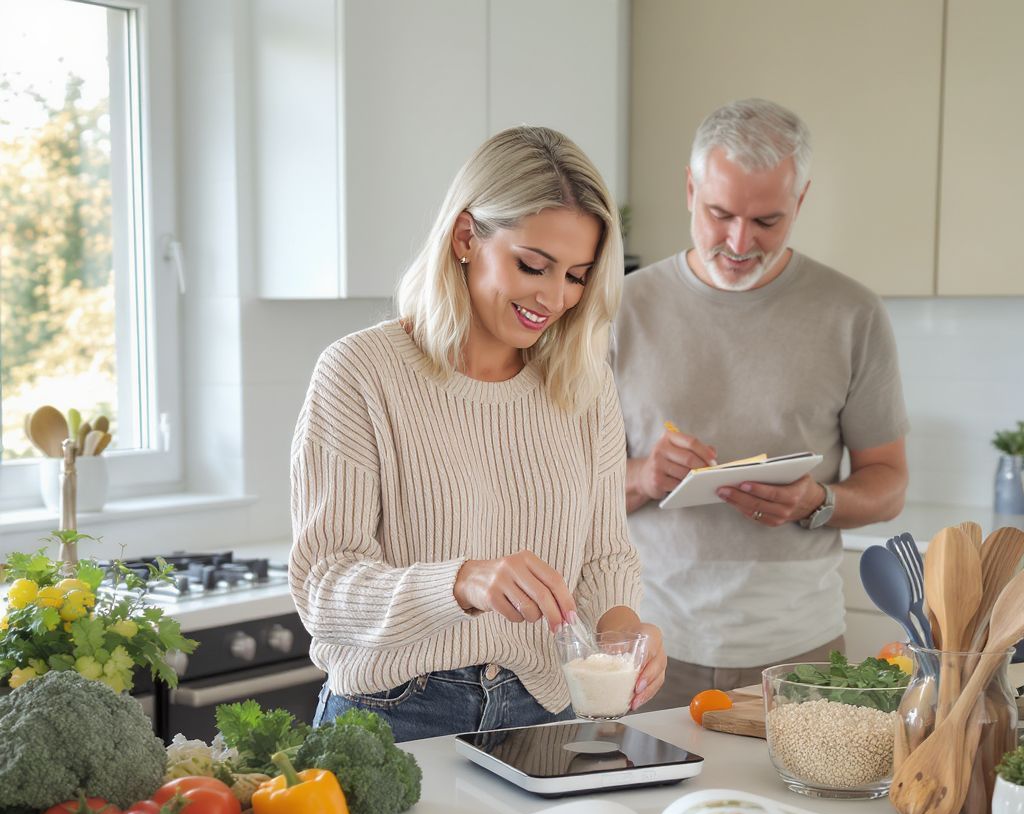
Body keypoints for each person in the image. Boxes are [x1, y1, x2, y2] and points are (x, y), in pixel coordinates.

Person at [290, 125, 666, 742]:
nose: (554, 297)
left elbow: (603, 555)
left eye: (576, 276)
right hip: (394, 714)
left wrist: (625, 633)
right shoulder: (360, 372)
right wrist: (462, 581)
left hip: (544, 711)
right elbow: (323, 586)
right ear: (466, 237)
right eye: (533, 265)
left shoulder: (583, 385)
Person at [612, 98, 909, 711]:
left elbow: (889, 484)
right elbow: (562, 493)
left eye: (767, 221)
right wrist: (643, 475)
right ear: (689, 189)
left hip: (799, 650)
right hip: (648, 643)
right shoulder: (617, 310)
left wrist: (819, 501)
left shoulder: (852, 314)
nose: (740, 242)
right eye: (720, 214)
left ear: (800, 203)